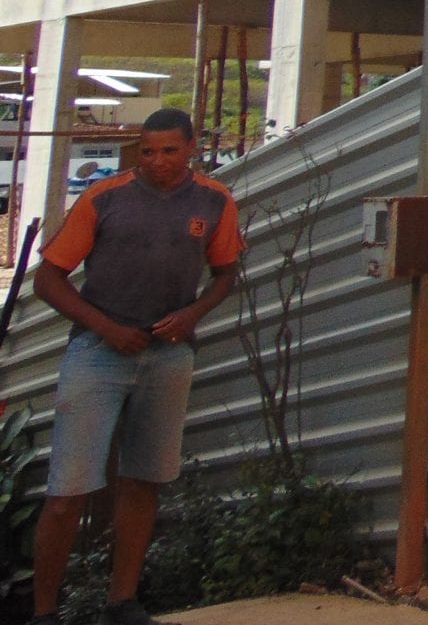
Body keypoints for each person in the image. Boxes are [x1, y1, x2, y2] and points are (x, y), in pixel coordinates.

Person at [30, 107, 245, 625]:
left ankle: (121, 603)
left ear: (191, 148)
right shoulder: (105, 198)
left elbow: (224, 274)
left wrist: (190, 316)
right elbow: (48, 279)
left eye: (169, 150)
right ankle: (42, 613)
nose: (157, 161)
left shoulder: (215, 202)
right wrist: (105, 328)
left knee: (143, 481)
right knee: (68, 492)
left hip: (168, 355)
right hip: (98, 353)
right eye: (147, 151)